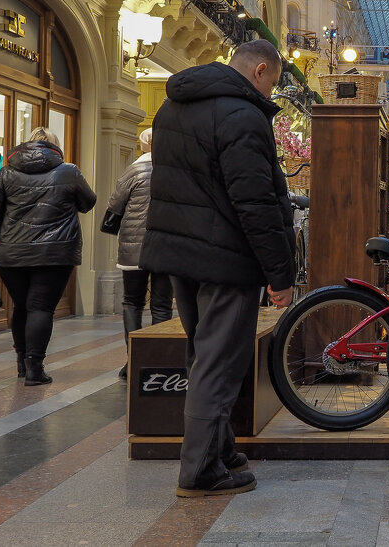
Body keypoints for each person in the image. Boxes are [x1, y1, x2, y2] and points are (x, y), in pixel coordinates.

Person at [141, 40, 296, 497]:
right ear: (261, 70)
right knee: (219, 361)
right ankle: (201, 470)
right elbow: (255, 202)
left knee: (203, 354)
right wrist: (280, 274)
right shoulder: (242, 115)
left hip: (180, 255)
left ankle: (220, 448)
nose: (271, 92)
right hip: (225, 259)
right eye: (273, 83)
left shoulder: (172, 107)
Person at [0, 127, 96, 386]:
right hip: (55, 253)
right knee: (41, 308)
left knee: (21, 307)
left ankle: (21, 362)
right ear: (55, 147)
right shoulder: (68, 171)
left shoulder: (7, 172)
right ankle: (35, 368)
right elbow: (89, 203)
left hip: (13, 253)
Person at [106, 127, 172, 379]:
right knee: (162, 305)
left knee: (132, 302)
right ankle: (160, 359)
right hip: (165, 247)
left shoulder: (133, 170)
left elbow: (115, 204)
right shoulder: (173, 171)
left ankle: (133, 358)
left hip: (133, 249)